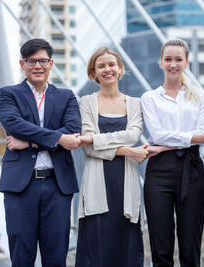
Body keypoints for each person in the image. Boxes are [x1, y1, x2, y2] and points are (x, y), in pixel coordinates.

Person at [0, 38, 81, 267]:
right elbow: (13, 124)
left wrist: (31, 144)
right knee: (22, 257)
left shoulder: (66, 96)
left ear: (51, 63)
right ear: (22, 64)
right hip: (20, 187)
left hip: (58, 185)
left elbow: (72, 131)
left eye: (43, 60)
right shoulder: (8, 94)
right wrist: (57, 138)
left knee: (56, 258)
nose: (37, 66)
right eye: (31, 61)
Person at [141, 39, 204, 267]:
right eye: (168, 59)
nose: (173, 64)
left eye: (178, 59)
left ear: (186, 62)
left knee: (190, 246)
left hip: (192, 170)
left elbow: (202, 133)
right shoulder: (150, 98)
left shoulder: (201, 97)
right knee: (161, 246)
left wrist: (166, 145)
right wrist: (191, 138)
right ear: (161, 62)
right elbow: (158, 133)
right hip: (158, 174)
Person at [75, 47, 146, 267]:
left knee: (126, 244)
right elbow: (87, 147)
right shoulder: (86, 102)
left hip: (125, 183)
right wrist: (127, 151)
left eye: (112, 64)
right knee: (96, 246)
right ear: (94, 72)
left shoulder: (135, 104)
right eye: (101, 66)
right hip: (97, 182)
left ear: (120, 68)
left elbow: (133, 135)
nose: (108, 69)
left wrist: (96, 139)